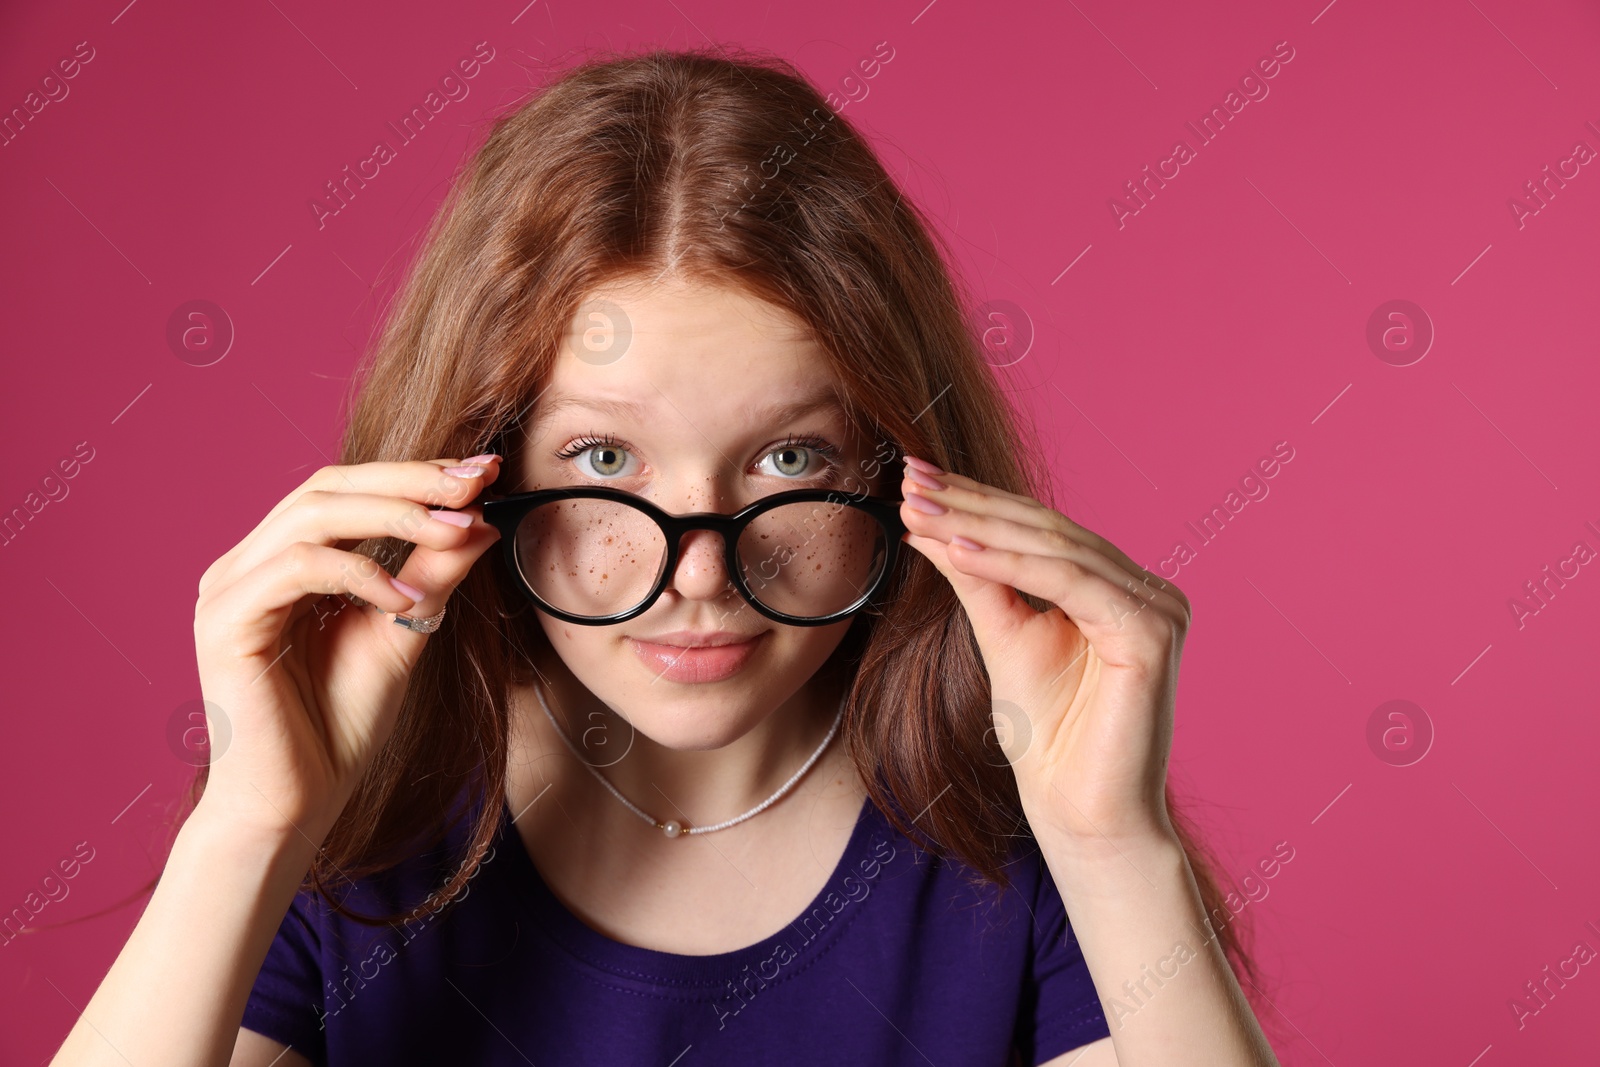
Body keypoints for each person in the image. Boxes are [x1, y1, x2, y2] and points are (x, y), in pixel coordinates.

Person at [49, 47, 1281, 1067]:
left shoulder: (1016, 850)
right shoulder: (354, 832)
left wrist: (1117, 844)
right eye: (603, 463)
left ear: (899, 469)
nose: (696, 574)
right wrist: (246, 825)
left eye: (789, 460)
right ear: (478, 468)